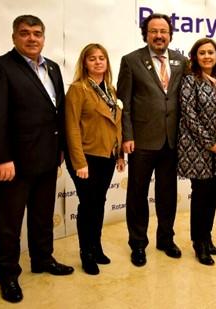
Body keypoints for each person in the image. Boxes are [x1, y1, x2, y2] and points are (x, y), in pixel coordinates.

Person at [0, 15, 74, 303]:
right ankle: (7, 274)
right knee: (9, 223)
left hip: (47, 158)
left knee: (42, 216)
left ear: (44, 38)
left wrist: (61, 149)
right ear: (14, 37)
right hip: (13, 164)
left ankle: (43, 259)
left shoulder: (54, 68)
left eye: (37, 33)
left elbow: (56, 112)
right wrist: (2, 158)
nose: (32, 38)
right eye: (25, 33)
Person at [117, 13, 188, 267]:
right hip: (142, 141)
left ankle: (166, 239)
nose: (159, 36)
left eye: (164, 32)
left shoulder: (182, 61)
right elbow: (123, 104)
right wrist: (127, 136)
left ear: (170, 35)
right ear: (145, 34)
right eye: (154, 31)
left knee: (167, 194)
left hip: (172, 141)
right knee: (137, 194)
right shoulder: (131, 61)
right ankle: (138, 244)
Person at [65, 43, 126, 275]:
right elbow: (71, 129)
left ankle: (96, 246)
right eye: (92, 58)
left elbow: (116, 125)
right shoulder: (78, 89)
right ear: (84, 63)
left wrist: (120, 154)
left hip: (107, 156)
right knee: (88, 205)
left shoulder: (111, 89)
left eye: (102, 58)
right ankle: (86, 253)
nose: (98, 62)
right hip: (86, 158)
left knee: (99, 203)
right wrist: (79, 163)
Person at [178, 38, 216, 266]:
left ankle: (207, 237)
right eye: (202, 53)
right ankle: (198, 243)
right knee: (200, 196)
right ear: (195, 57)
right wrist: (209, 142)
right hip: (198, 148)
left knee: (212, 196)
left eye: (211, 52)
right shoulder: (190, 80)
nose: (207, 56)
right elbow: (189, 115)